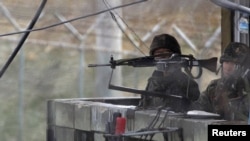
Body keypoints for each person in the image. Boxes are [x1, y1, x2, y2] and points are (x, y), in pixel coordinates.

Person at [137, 33, 200, 112]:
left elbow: (196, 113)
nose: (162, 58)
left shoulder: (187, 84)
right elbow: (143, 108)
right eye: (158, 54)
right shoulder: (152, 82)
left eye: (166, 54)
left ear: (176, 57)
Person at [192, 42, 250, 121]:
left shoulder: (247, 90)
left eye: (233, 63)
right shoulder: (214, 87)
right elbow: (197, 109)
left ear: (244, 68)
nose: (228, 67)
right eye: (226, 62)